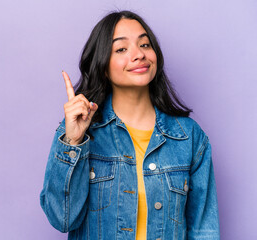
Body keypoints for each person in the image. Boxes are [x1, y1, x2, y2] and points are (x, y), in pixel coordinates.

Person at [40, 10, 220, 240]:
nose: (138, 55)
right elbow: (62, 219)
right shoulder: (79, 134)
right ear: (103, 65)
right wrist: (73, 142)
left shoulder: (189, 137)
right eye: (121, 49)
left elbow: (205, 230)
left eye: (145, 45)